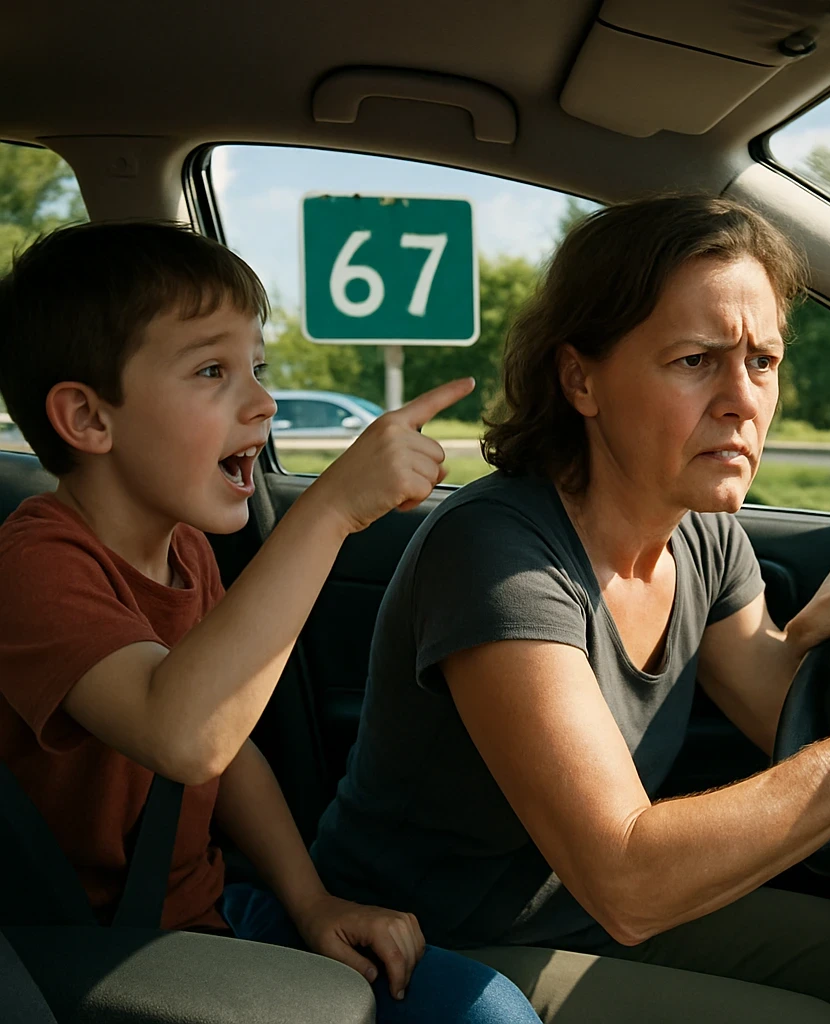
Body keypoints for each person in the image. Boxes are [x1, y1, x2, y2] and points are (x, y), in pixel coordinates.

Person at [310, 193, 830, 1024]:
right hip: (435, 948)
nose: (742, 400)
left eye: (763, 360)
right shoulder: (498, 554)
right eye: (695, 360)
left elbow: (777, 718)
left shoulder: (703, 535)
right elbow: (627, 882)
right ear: (581, 378)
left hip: (584, 917)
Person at [0, 221, 544, 1024]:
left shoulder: (183, 548)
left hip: (208, 917)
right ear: (87, 418)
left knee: (484, 1008)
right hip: (83, 952)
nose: (262, 402)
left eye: (258, 367)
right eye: (214, 371)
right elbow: (184, 736)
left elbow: (231, 751)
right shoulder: (33, 565)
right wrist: (328, 509)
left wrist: (312, 901)